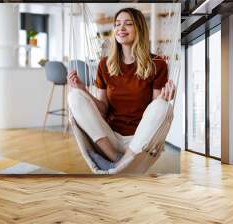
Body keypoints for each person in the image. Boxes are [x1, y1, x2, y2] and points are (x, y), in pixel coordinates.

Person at [67, 8, 175, 170]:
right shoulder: (105, 64)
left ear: (139, 29)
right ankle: (117, 159)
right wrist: (83, 89)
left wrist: (164, 99)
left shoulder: (157, 64)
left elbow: (154, 111)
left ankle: (119, 163)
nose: (121, 28)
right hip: (109, 137)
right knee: (74, 95)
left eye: (128, 24)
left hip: (140, 139)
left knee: (163, 106)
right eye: (117, 24)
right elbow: (102, 109)